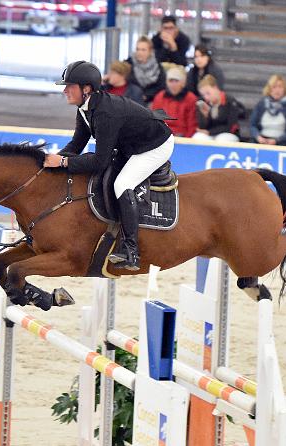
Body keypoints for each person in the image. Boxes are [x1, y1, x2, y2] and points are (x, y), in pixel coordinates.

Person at [44, 61, 174, 271]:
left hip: (155, 145)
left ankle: (131, 250)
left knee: (122, 184)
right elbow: (77, 144)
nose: (65, 90)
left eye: (70, 86)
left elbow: (99, 161)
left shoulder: (105, 112)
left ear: (86, 89)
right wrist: (52, 164)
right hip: (130, 144)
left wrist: (64, 162)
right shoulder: (85, 108)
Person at [249, 74, 286, 146]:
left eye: (280, 87)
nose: (277, 90)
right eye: (274, 87)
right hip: (261, 140)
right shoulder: (262, 103)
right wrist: (258, 137)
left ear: (284, 89)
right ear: (269, 89)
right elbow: (252, 125)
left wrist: (277, 140)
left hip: (282, 142)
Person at [150, 66, 198, 138]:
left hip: (182, 135)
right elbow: (155, 121)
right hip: (163, 135)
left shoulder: (191, 99)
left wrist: (187, 140)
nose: (173, 84)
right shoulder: (159, 97)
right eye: (170, 81)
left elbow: (192, 124)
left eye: (176, 81)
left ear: (183, 83)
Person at [193, 75, 240, 143]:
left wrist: (210, 132)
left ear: (215, 88)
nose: (206, 97)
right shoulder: (204, 103)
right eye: (203, 95)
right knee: (197, 137)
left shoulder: (230, 101)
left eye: (208, 93)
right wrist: (205, 116)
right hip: (210, 134)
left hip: (228, 133)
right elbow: (202, 126)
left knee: (221, 140)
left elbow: (231, 126)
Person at [126, 36, 166, 104]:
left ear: (150, 51)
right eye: (137, 49)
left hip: (151, 100)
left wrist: (147, 95)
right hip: (131, 100)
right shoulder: (128, 64)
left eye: (143, 50)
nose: (139, 52)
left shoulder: (157, 66)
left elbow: (161, 86)